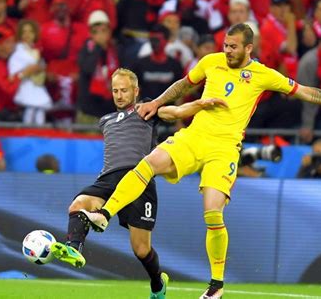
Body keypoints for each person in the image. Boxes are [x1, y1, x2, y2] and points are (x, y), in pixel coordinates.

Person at [80, 23, 321, 299]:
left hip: (225, 149)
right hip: (195, 136)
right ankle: (105, 215)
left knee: (213, 213)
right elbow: (184, 85)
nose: (227, 51)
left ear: (248, 48)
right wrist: (156, 103)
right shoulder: (211, 61)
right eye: (225, 45)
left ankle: (216, 286)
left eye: (233, 47)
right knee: (148, 163)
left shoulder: (263, 74)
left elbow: (305, 91)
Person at [50, 68, 228, 299]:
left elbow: (175, 112)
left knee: (141, 249)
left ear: (136, 91)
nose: (119, 95)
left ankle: (157, 283)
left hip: (139, 179)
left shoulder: (147, 110)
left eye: (124, 90)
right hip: (108, 178)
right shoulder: (106, 120)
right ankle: (74, 248)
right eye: (115, 90)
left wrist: (200, 105)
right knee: (78, 204)